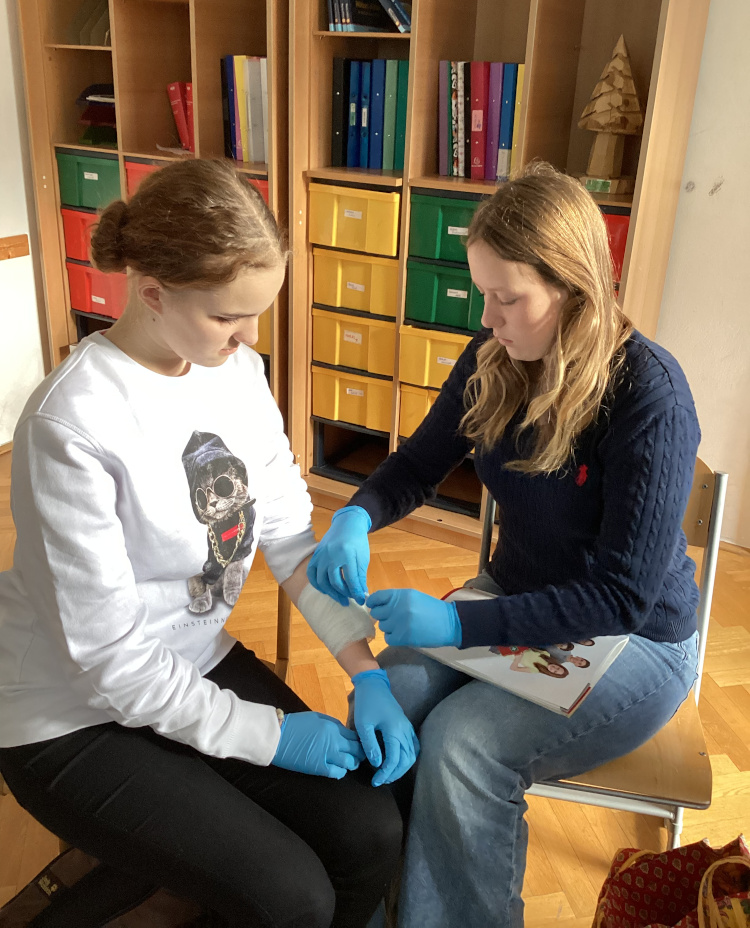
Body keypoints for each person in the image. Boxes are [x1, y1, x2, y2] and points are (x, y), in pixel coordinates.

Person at [0, 160, 419, 928]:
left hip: (188, 663)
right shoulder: (71, 424)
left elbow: (288, 534)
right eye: (229, 316)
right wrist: (271, 737)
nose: (250, 337)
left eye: (258, 313)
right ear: (152, 291)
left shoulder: (235, 372)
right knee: (290, 895)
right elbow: (112, 662)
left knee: (370, 833)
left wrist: (367, 671)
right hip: (69, 712)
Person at [307, 163, 701, 928]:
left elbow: (622, 596)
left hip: (638, 640)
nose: (489, 318)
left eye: (507, 297)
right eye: (483, 294)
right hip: (518, 601)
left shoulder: (648, 394)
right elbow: (417, 466)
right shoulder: (495, 356)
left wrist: (459, 623)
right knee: (389, 697)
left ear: (573, 287)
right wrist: (356, 516)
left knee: (464, 743)